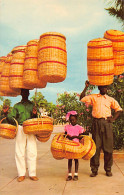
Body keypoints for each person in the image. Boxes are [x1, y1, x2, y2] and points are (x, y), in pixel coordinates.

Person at [80, 81, 123, 177]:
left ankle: (108, 169)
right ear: (99, 88)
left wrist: (113, 119)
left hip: (107, 124)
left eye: (105, 87)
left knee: (108, 148)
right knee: (96, 147)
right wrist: (86, 87)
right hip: (96, 124)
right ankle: (94, 170)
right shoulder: (94, 97)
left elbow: (119, 110)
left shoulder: (110, 99)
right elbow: (82, 98)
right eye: (102, 87)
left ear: (107, 88)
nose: (104, 89)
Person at [2, 89, 38, 182]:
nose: (25, 94)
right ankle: (21, 174)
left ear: (29, 93)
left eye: (26, 92)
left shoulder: (32, 105)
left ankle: (32, 174)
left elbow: (37, 118)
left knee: (32, 151)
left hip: (31, 128)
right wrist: (6, 113)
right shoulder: (17, 106)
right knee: (19, 151)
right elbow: (11, 119)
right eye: (23, 92)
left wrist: (35, 114)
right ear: (21, 94)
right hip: (21, 128)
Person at [64, 111, 85, 181]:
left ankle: (76, 174)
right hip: (69, 145)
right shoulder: (67, 127)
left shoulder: (79, 127)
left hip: (76, 146)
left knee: (76, 159)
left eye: (74, 120)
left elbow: (81, 136)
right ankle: (69, 174)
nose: (72, 121)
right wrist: (68, 136)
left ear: (76, 119)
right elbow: (65, 134)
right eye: (71, 120)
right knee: (69, 159)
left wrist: (75, 137)